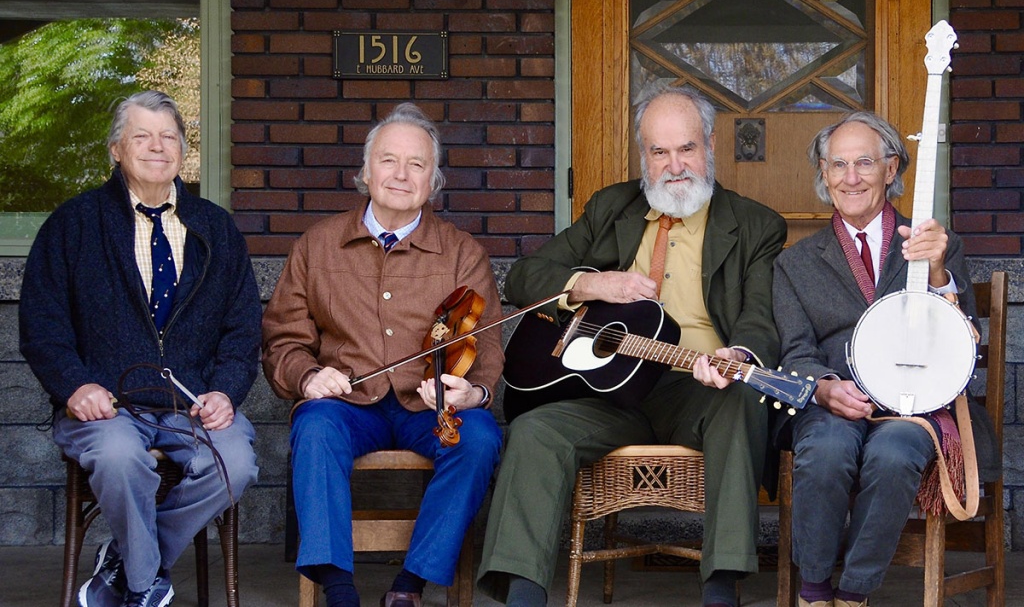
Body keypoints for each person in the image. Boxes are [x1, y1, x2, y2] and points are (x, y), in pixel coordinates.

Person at [477, 84, 787, 607]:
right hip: (609, 392)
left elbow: (759, 316)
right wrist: (592, 285)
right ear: (642, 155)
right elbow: (526, 278)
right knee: (535, 429)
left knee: (742, 397)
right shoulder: (611, 207)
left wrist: (739, 356)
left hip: (697, 387)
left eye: (686, 148)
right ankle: (522, 593)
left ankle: (722, 585)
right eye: (658, 152)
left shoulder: (756, 225)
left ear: (709, 145)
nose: (674, 165)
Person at [19, 90, 261, 607]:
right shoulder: (74, 223)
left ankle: (130, 565)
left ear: (182, 150)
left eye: (169, 136)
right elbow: (42, 324)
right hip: (107, 406)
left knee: (236, 464)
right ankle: (145, 580)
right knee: (118, 456)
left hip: (189, 405)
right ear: (116, 149)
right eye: (142, 136)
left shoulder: (215, 227)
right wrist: (75, 385)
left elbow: (243, 328)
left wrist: (225, 391)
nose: (157, 147)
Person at [261, 102, 504, 607]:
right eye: (388, 160)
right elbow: (283, 338)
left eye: (416, 164)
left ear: (433, 181)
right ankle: (340, 589)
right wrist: (307, 376)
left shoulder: (463, 253)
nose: (400, 174)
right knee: (315, 426)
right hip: (349, 406)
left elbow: (485, 350)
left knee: (478, 438)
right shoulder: (318, 245)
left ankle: (408, 586)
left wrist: (473, 390)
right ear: (365, 171)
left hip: (428, 410)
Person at [772, 110, 997, 607]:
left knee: (894, 453)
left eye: (865, 163)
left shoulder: (934, 244)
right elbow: (796, 350)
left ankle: (854, 592)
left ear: (892, 169)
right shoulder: (795, 262)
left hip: (918, 407)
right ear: (824, 173)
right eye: (838, 165)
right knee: (827, 450)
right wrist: (825, 387)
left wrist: (938, 272)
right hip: (836, 401)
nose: (850, 178)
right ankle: (813, 589)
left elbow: (967, 340)